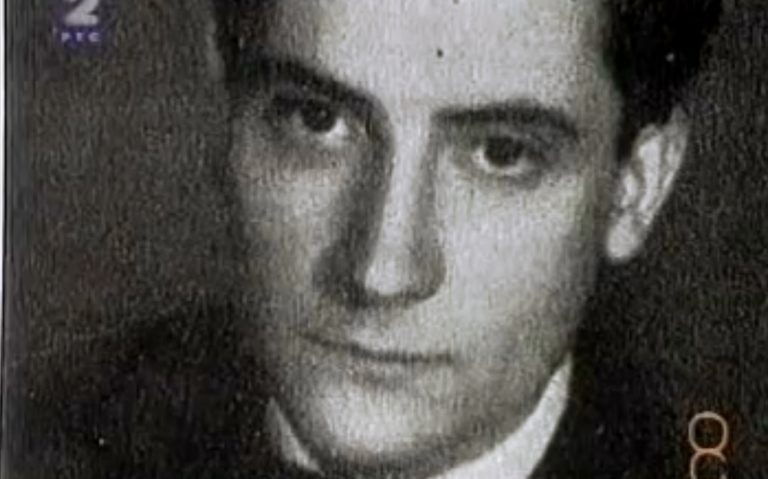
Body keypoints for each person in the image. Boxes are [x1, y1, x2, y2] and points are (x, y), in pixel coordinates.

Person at [9, 1, 722, 478]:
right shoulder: (39, 436)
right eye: (315, 120)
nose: (382, 270)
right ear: (225, 109)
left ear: (636, 188)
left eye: (501, 153)